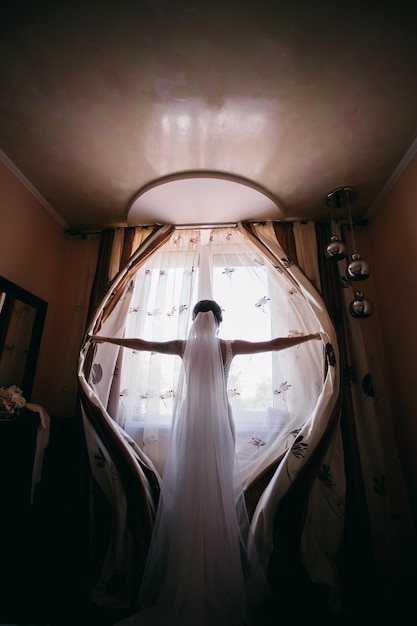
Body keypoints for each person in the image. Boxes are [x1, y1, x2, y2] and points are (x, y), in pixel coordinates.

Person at [90, 299, 321, 626]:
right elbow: (273, 344)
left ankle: (190, 573)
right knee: (216, 491)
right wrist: (311, 336)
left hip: (192, 424)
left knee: (190, 491)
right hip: (219, 425)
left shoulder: (183, 347)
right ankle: (213, 572)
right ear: (218, 322)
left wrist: (106, 339)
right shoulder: (229, 347)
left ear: (195, 320)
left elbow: (143, 345)